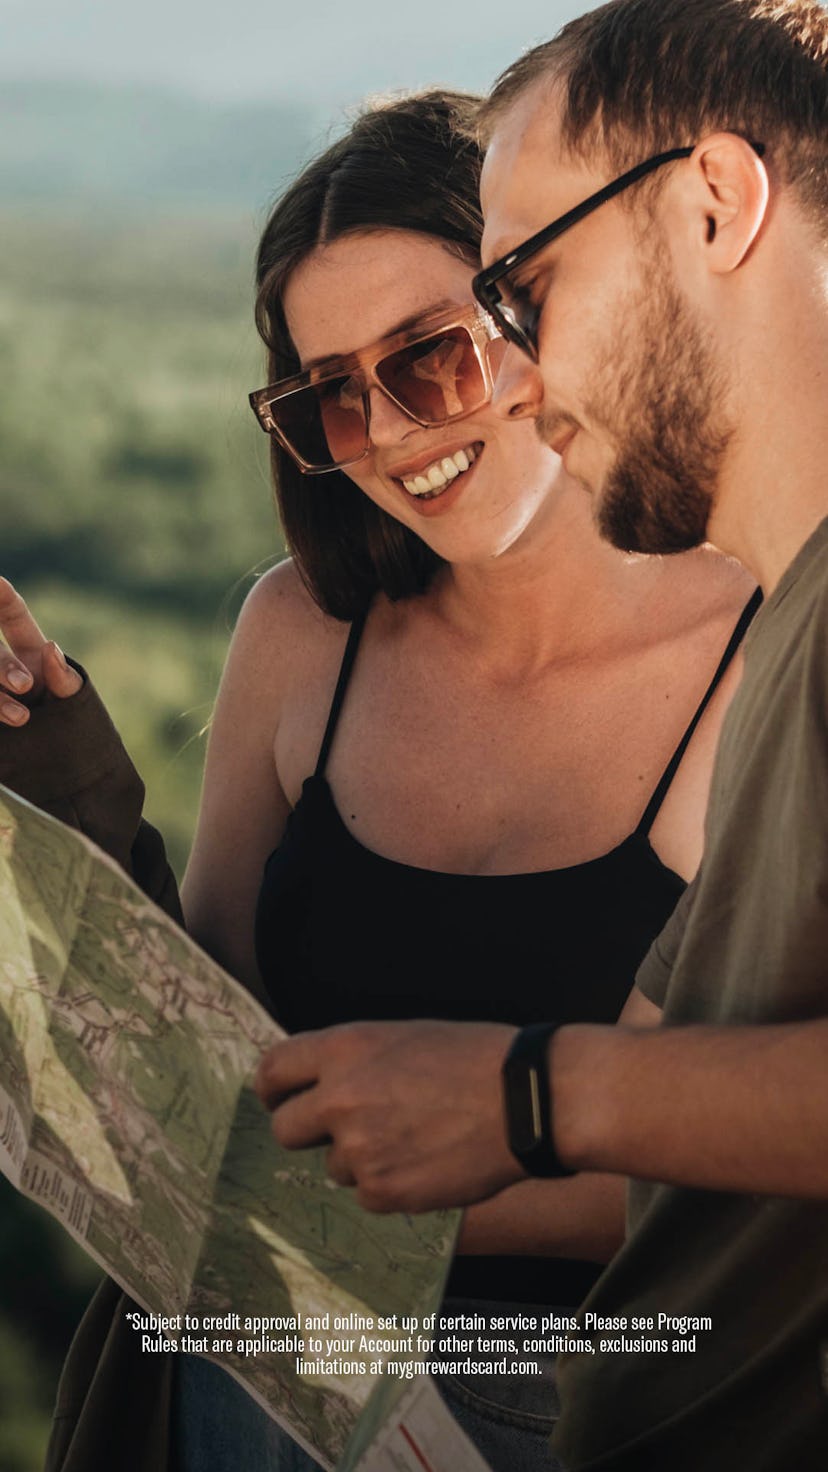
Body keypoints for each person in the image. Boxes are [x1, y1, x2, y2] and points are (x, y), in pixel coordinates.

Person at [0, 90, 755, 1472]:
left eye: (430, 355)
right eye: (330, 392)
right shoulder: (301, 631)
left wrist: (294, 1202)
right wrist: (54, 783)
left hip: (580, 1417)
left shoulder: (766, 658)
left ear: (546, 308)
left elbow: (726, 1167)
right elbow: (198, 1047)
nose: (393, 430)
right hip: (241, 1396)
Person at [254, 4, 828, 1469]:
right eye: (330, 397)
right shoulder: (797, 620)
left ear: (719, 205)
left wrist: (524, 1100)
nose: (508, 368)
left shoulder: (774, 636)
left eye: (519, 294)